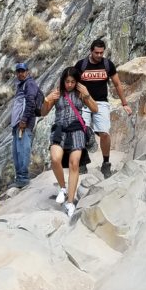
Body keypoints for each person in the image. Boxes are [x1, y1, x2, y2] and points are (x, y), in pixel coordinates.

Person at [41, 67, 98, 218]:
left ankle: (70, 202)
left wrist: (87, 95)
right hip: (59, 130)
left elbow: (95, 108)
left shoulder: (81, 92)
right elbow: (43, 112)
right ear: (63, 80)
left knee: (74, 164)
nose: (70, 84)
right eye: (67, 81)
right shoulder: (57, 93)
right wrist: (47, 100)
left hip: (77, 129)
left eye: (73, 81)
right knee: (55, 158)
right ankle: (63, 188)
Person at [75, 39, 132, 178]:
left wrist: (124, 103)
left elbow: (117, 84)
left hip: (101, 103)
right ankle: (82, 161)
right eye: (96, 52)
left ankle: (106, 163)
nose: (99, 55)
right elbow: (72, 83)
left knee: (105, 133)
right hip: (84, 103)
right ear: (91, 51)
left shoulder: (107, 65)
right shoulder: (81, 65)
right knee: (81, 131)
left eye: (101, 52)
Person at [10, 61, 41, 189]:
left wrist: (23, 120)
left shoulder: (30, 84)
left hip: (24, 124)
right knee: (16, 151)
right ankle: (19, 177)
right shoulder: (21, 86)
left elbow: (31, 103)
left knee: (22, 151)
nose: (21, 73)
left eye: (23, 71)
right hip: (17, 124)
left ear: (27, 71)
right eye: (19, 71)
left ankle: (23, 178)